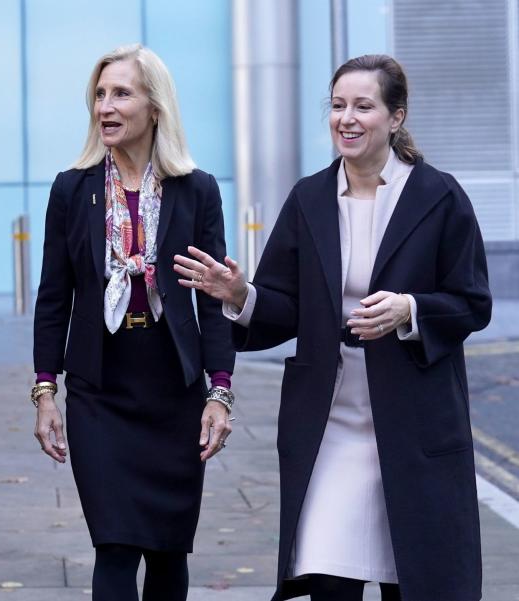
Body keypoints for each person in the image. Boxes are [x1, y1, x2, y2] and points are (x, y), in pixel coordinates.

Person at [174, 54, 491, 601]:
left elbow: (472, 302)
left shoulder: (438, 197)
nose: (347, 118)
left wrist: (410, 310)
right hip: (329, 427)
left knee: (414, 579)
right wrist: (239, 295)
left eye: (363, 106)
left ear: (395, 117)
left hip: (414, 427)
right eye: (338, 105)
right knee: (327, 578)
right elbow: (284, 307)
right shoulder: (310, 199)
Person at [32, 44, 236, 601]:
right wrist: (45, 393)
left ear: (155, 106)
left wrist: (219, 393)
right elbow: (54, 299)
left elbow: (212, 301)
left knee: (169, 553)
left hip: (173, 391)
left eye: (121, 92)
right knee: (115, 547)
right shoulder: (72, 189)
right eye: (99, 94)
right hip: (101, 392)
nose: (105, 106)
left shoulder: (197, 189)